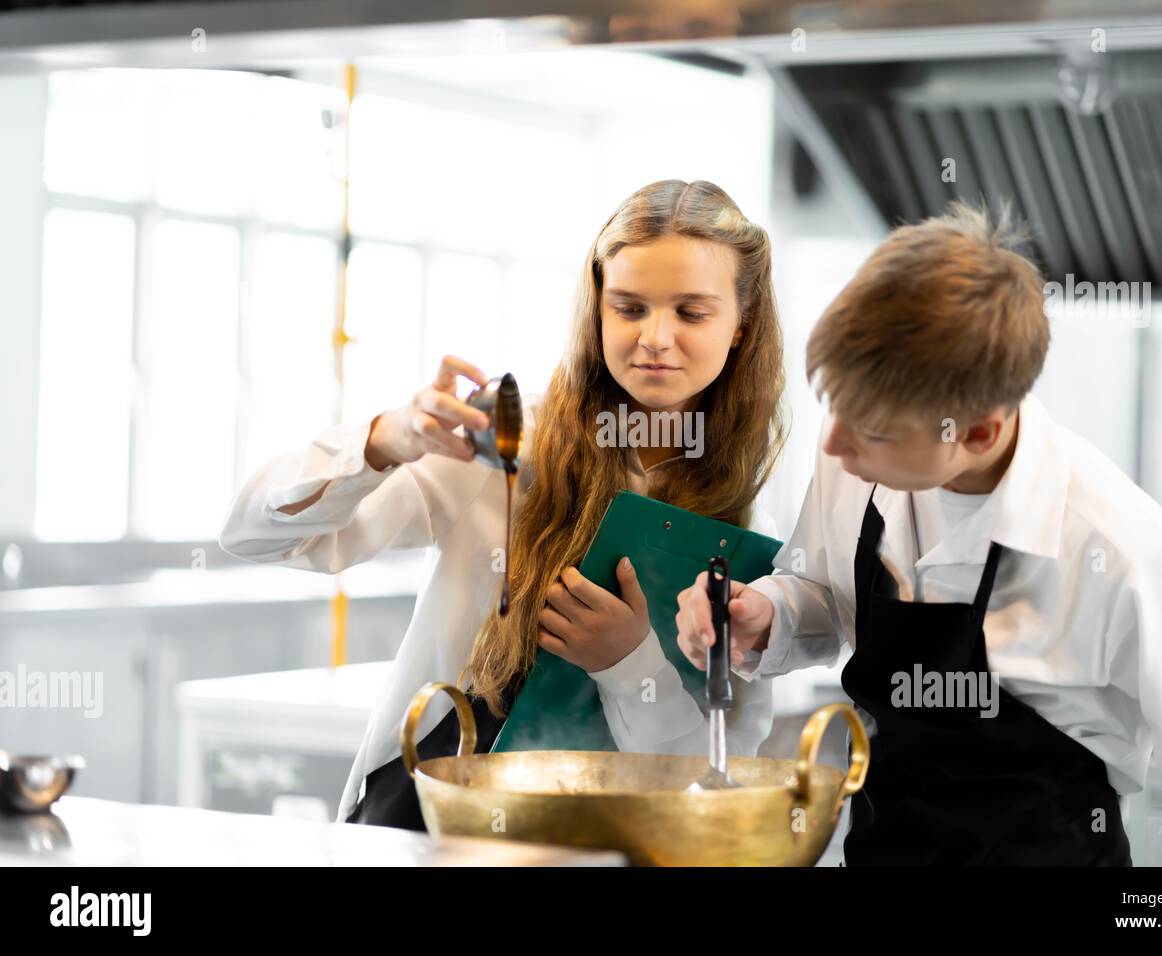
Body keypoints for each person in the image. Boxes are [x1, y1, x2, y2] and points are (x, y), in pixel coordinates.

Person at [675, 201, 1162, 866]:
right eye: (834, 410)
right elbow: (823, 596)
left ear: (977, 431)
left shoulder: (1122, 554)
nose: (833, 445)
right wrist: (767, 614)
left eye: (873, 430)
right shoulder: (857, 457)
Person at [220, 179, 787, 828]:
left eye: (691, 312)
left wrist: (630, 664)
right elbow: (255, 535)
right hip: (431, 822)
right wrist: (381, 444)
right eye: (629, 307)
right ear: (598, 309)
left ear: (741, 326)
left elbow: (718, 771)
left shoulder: (749, 520)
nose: (656, 337)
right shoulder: (502, 447)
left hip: (602, 841)